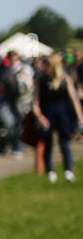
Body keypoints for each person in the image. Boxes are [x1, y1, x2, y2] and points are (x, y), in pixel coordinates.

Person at [32, 53, 83, 183]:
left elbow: (74, 100)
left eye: (47, 64)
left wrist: (80, 118)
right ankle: (50, 171)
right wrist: (40, 117)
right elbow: (35, 101)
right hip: (47, 114)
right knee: (48, 143)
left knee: (64, 142)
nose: (45, 66)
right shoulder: (40, 79)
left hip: (62, 113)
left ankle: (68, 170)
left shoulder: (65, 79)